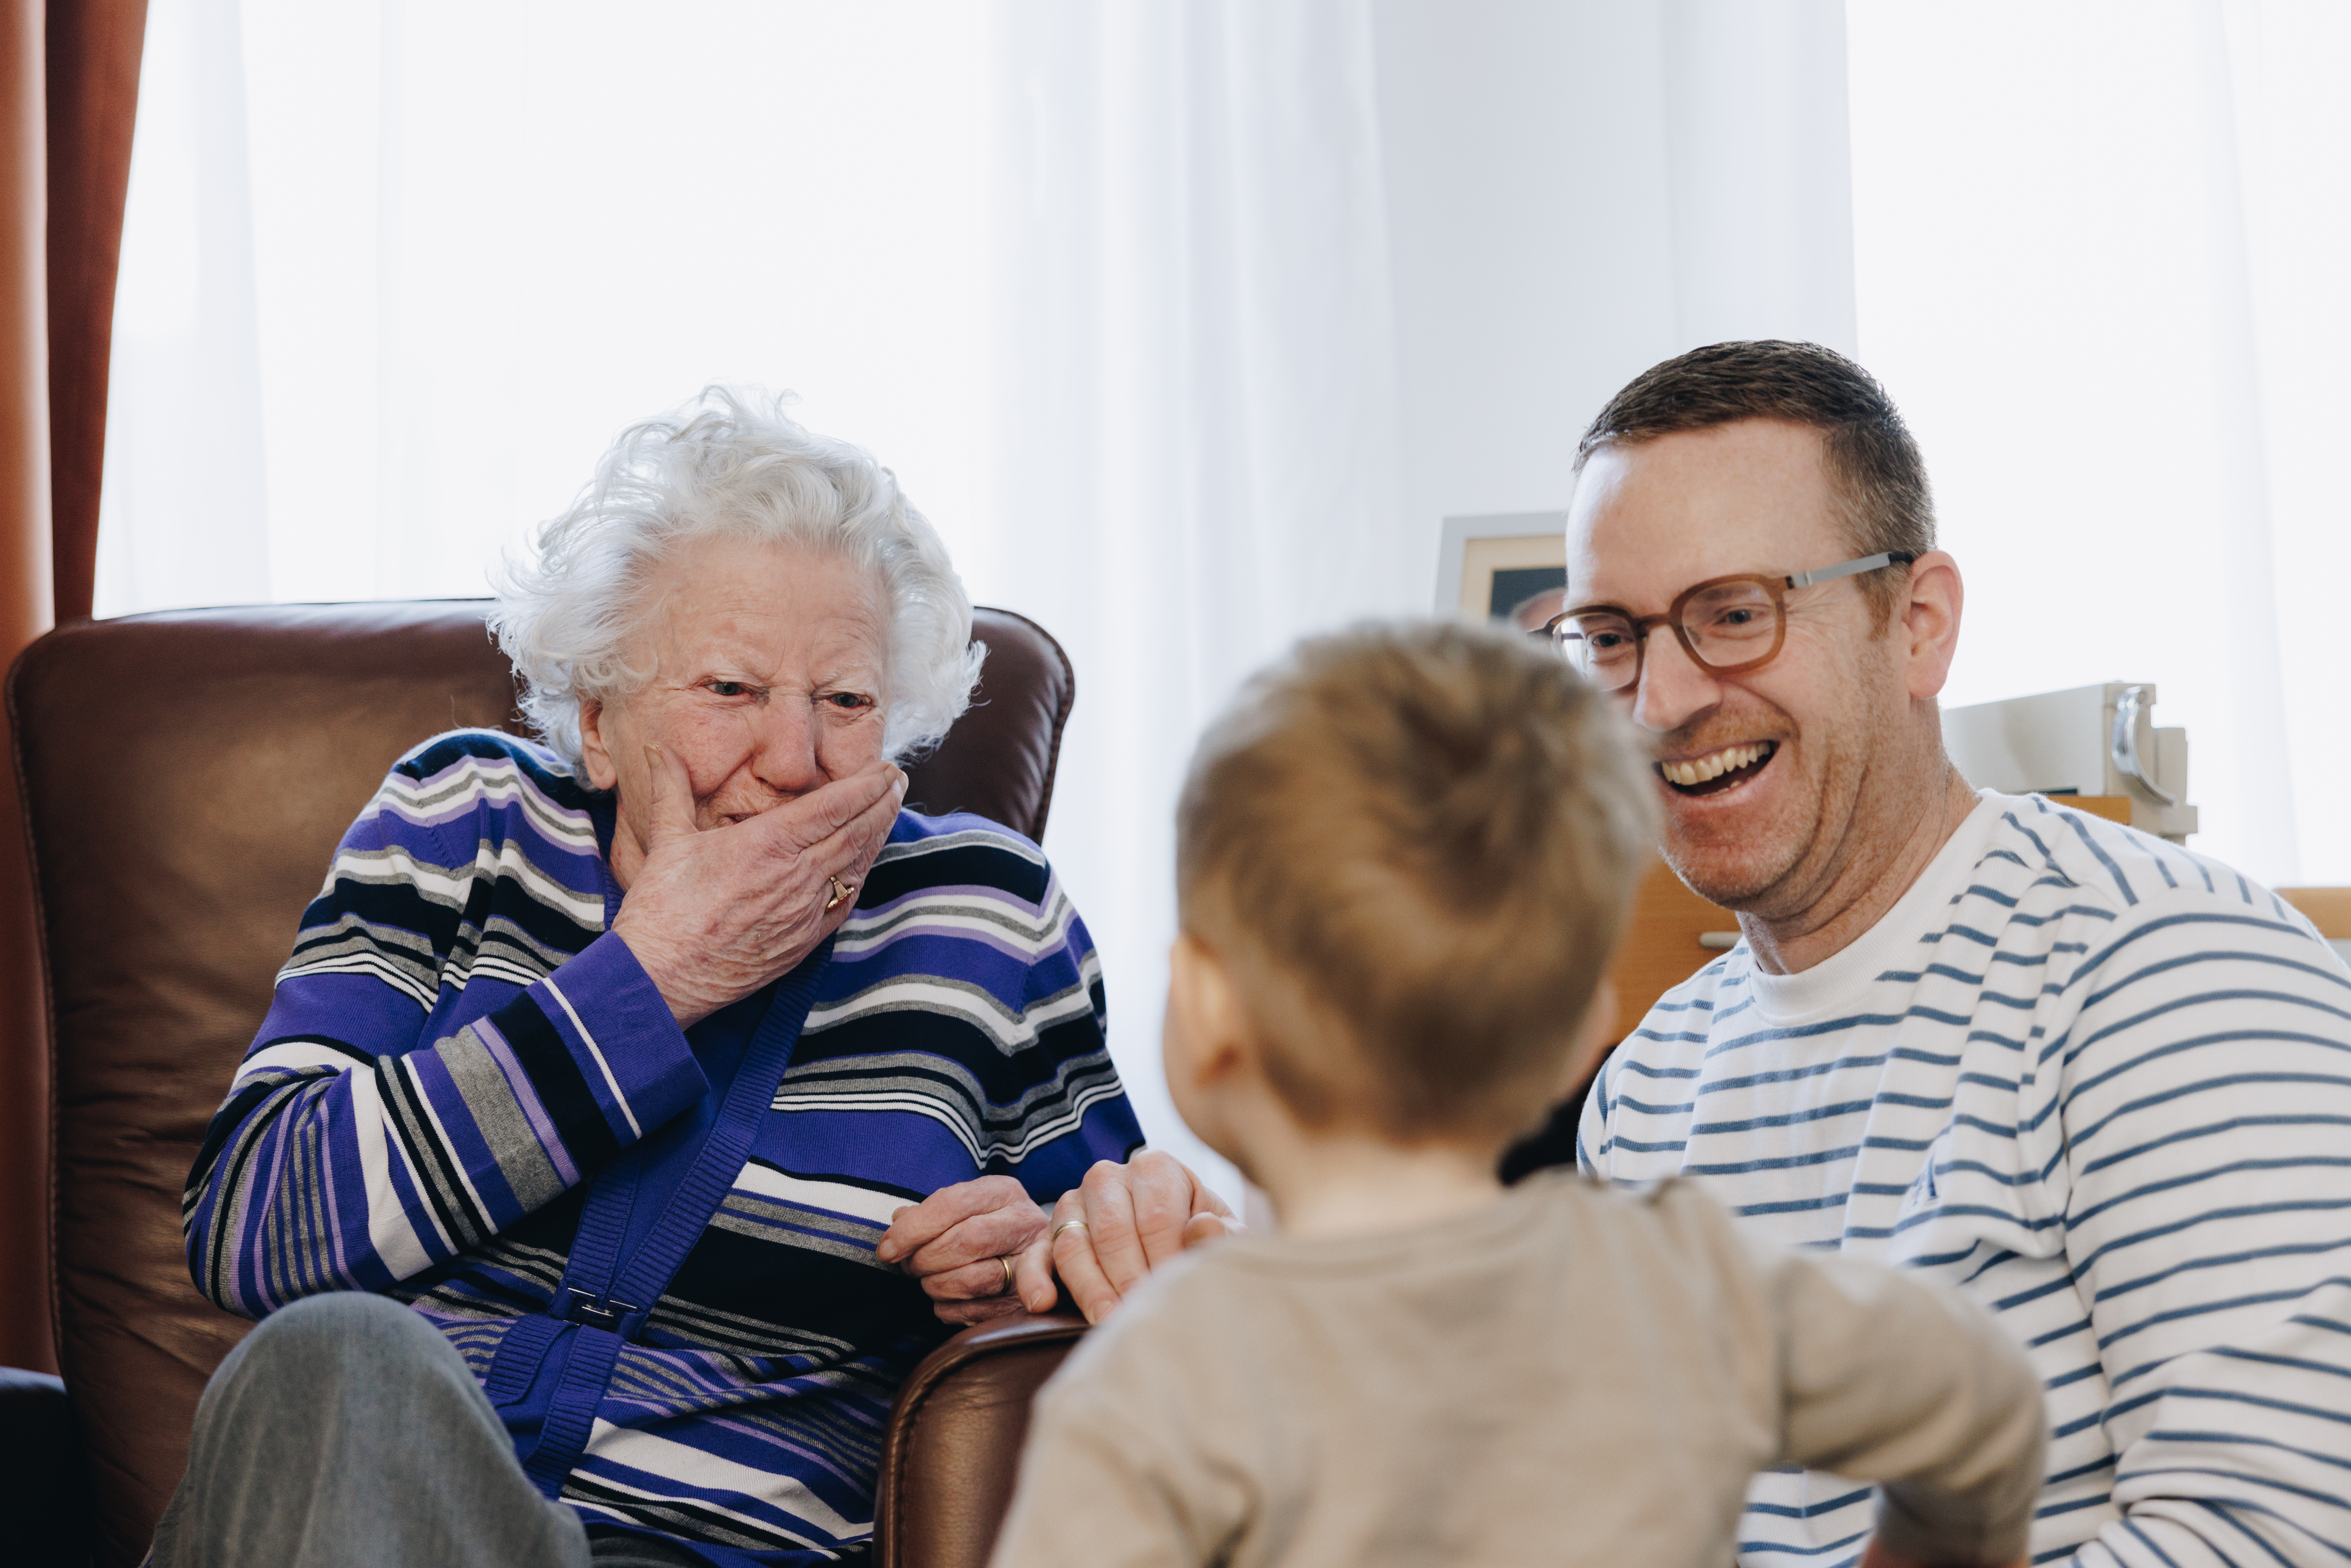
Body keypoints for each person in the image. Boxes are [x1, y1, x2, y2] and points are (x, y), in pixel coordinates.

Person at [158, 388, 1232, 1568]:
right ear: (602, 724)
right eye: (731, 690)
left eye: (846, 702)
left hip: (717, 1548)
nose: (792, 761)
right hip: (370, 1512)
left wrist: (1041, 1268)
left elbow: (1122, 1278)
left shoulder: (985, 918)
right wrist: (649, 979)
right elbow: (253, 1229)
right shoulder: (463, 820)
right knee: (345, 1361)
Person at [991, 623, 2049, 1568]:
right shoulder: (1687, 1282)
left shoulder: (1173, 1374)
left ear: (1209, 1004)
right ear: (1587, 1028)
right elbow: (1983, 1396)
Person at [1560, 341, 2351, 1568]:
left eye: (1734, 614)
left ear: (1919, 626)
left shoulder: (2172, 977)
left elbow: (2285, 1536)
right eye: (1612, 635)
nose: (1660, 698)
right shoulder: (1646, 1091)